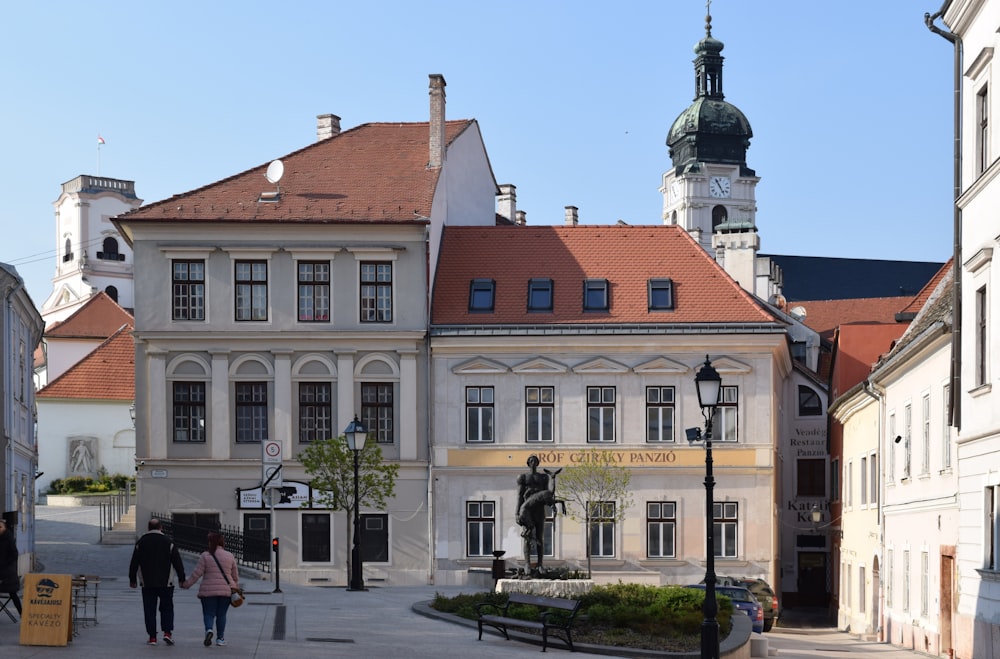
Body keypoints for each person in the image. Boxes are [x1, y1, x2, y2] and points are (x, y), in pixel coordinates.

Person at [129, 518, 186, 646]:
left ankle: (152, 637)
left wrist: (132, 579)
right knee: (167, 608)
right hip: (166, 582)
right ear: (161, 528)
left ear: (148, 528)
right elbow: (177, 562)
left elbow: (134, 563)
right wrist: (182, 578)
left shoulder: (141, 542)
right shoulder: (168, 542)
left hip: (147, 582)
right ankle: (167, 633)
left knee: (149, 609)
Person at [182, 531, 239, 647]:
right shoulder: (229, 555)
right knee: (221, 615)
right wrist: (235, 586)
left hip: (208, 592)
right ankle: (220, 638)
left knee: (208, 613)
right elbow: (235, 576)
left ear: (210, 543)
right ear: (222, 542)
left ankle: (209, 630)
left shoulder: (205, 556)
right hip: (226, 591)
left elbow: (197, 573)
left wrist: (187, 584)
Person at [0, 519, 22, 617]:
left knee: (13, 594)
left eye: (0, 527)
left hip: (8, 575)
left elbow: (14, 555)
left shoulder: (8, 538)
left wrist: (4, 564)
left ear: (5, 528)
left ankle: (22, 614)